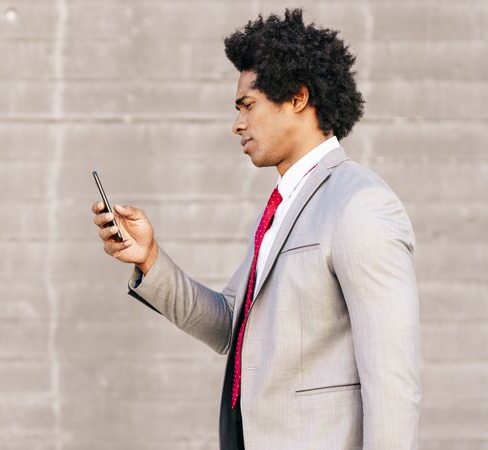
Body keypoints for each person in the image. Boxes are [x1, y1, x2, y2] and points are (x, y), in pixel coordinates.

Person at [91, 8, 420, 450]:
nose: (237, 124)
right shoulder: (282, 207)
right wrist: (148, 258)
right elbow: (229, 325)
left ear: (298, 98)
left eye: (248, 105)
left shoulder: (359, 204)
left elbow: (392, 378)